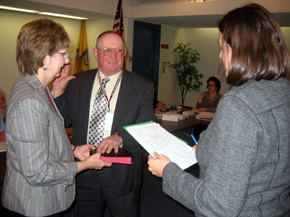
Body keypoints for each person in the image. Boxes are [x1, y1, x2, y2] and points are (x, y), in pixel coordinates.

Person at [148, 3, 290, 216]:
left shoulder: (238, 105)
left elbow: (217, 204)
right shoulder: (283, 89)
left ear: (238, 49)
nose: (220, 56)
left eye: (222, 48)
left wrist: (167, 171)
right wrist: (206, 149)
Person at [2, 19, 112, 217]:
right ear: (45, 59)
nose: (67, 60)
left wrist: (74, 150)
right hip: (34, 205)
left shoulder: (32, 86)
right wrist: (85, 165)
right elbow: (38, 173)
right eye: (62, 54)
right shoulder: (31, 101)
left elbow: (42, 142)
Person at [53, 31, 154, 217]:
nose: (114, 56)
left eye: (119, 50)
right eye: (107, 50)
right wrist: (58, 90)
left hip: (121, 172)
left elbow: (147, 125)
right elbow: (63, 120)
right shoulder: (77, 82)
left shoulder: (142, 86)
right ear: (95, 52)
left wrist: (121, 137)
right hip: (85, 169)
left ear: (125, 53)